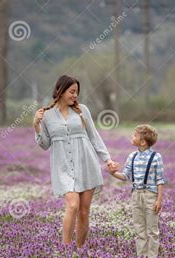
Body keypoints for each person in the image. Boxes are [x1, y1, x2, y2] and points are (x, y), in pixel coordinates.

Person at [34, 75, 119, 247]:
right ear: (60, 90)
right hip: (63, 167)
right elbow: (44, 144)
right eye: (72, 92)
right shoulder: (47, 115)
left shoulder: (82, 111)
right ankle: (66, 251)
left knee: (84, 212)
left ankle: (80, 251)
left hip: (86, 164)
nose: (75, 96)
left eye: (77, 92)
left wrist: (107, 160)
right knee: (72, 205)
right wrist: (36, 125)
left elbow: (94, 137)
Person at [109, 124, 166, 258]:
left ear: (142, 141)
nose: (131, 136)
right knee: (139, 229)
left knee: (152, 230)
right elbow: (126, 177)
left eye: (134, 135)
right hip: (136, 195)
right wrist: (113, 173)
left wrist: (159, 200)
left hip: (150, 196)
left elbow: (160, 180)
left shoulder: (156, 157)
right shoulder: (132, 156)